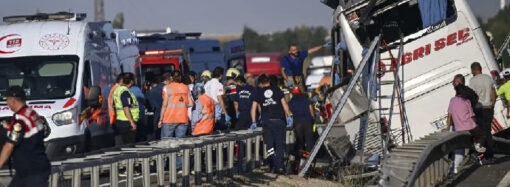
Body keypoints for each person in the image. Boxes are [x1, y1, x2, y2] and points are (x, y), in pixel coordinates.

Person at [0, 86, 51, 186]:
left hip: (31, 171)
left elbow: (9, 146)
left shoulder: (20, 119)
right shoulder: (31, 113)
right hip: (33, 168)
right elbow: (26, 132)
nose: (8, 104)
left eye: (7, 101)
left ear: (13, 100)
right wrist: (8, 128)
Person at [250, 74, 293, 174]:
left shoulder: (259, 92)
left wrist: (253, 122)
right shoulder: (277, 89)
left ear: (261, 83)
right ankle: (280, 167)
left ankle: (274, 165)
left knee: (269, 145)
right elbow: (284, 104)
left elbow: (253, 108)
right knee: (280, 145)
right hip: (280, 121)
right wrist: (289, 116)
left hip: (267, 122)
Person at [445, 84, 487, 173]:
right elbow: (471, 116)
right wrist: (476, 123)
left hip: (459, 128)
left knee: (462, 146)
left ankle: (455, 168)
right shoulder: (466, 101)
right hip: (469, 126)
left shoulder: (452, 100)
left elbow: (449, 115)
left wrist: (448, 127)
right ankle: (477, 145)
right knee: (482, 134)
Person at [469, 62, 496, 161]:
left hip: (479, 110)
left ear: (473, 70)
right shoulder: (488, 78)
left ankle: (486, 156)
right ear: (480, 68)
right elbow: (494, 93)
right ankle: (490, 155)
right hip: (489, 108)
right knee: (488, 132)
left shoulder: (472, 81)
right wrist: (492, 105)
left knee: (481, 133)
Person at [159, 70, 193, 138]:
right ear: (180, 77)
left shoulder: (166, 88)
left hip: (169, 118)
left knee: (166, 143)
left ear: (171, 77)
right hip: (183, 119)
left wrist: (160, 119)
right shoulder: (186, 87)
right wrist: (183, 105)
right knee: (180, 143)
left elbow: (164, 105)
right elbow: (191, 104)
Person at [288, 87, 315, 159]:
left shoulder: (291, 101)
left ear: (292, 94)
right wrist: (313, 117)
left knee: (300, 140)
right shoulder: (306, 99)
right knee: (309, 140)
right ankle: (309, 157)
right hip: (307, 121)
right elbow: (311, 109)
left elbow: (288, 111)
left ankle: (301, 157)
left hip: (298, 122)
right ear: (300, 93)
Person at [113, 73, 139, 145]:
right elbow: (126, 107)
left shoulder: (118, 90)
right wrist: (132, 122)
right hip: (127, 123)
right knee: (129, 146)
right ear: (131, 82)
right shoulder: (125, 92)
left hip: (121, 121)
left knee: (123, 145)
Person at [146, 73, 171, 141]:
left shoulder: (151, 91)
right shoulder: (168, 89)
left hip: (153, 117)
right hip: (166, 118)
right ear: (168, 80)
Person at [205, 67, 230, 131]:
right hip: (217, 111)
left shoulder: (207, 84)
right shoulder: (219, 85)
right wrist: (225, 113)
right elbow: (220, 99)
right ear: (221, 75)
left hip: (207, 109)